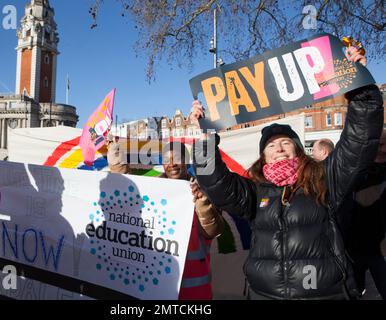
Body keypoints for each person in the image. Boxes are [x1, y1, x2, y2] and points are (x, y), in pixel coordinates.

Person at [190, 47, 384, 299]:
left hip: (323, 293)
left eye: (285, 143)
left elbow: (358, 141)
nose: (278, 148)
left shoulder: (325, 180)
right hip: (263, 294)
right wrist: (205, 135)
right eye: (271, 145)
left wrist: (360, 89)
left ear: (298, 150)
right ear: (263, 156)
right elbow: (214, 182)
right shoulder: (255, 190)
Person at [162, 141, 224, 299]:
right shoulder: (153, 192)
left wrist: (202, 203)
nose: (172, 164)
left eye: (177, 158)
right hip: (160, 286)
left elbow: (213, 230)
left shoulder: (203, 190)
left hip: (196, 288)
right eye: (166, 160)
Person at [344, 128, 386, 299]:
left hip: (383, 249)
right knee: (354, 292)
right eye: (382, 144)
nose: (384, 149)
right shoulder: (357, 172)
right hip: (355, 247)